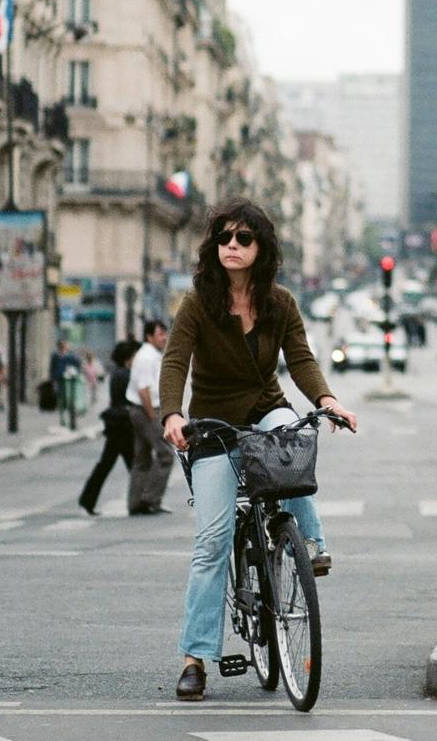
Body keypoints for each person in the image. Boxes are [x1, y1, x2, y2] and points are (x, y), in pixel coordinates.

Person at [158, 197, 358, 702]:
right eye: (224, 238)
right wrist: (173, 415)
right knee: (212, 541)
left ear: (261, 247)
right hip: (213, 423)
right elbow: (174, 362)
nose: (231, 246)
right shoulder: (199, 303)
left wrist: (327, 400)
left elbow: (302, 359)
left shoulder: (281, 303)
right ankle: (195, 657)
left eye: (243, 239)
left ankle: (310, 544)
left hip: (265, 406)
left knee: (292, 437)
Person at [79, 339, 143, 516]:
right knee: (133, 464)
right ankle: (140, 500)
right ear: (128, 358)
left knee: (109, 464)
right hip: (122, 424)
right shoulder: (125, 375)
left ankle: (87, 500)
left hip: (116, 424)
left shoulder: (118, 373)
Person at [126, 322, 175, 515]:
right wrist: (153, 417)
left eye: (165, 334)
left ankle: (136, 502)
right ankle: (150, 499)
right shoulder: (146, 357)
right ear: (149, 337)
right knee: (166, 455)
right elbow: (143, 389)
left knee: (142, 458)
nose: (164, 337)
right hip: (146, 410)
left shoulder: (151, 355)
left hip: (141, 410)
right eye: (160, 334)